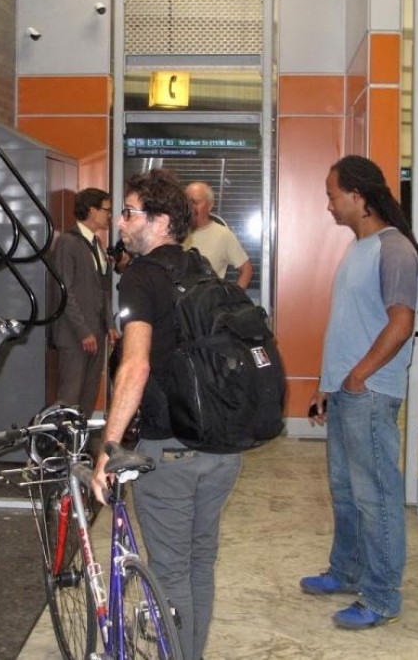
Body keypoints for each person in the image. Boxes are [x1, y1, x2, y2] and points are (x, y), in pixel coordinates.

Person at [93, 170, 241, 660]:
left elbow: (134, 366)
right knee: (201, 563)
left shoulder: (142, 276)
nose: (120, 221)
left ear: (157, 221)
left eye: (129, 212)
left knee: (172, 572)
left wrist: (108, 450)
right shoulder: (200, 268)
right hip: (220, 448)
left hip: (170, 450)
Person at [301, 155, 418, 630]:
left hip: (370, 394)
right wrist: (327, 386)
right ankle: (347, 572)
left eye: (333, 195)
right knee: (346, 492)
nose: (328, 205)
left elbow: (401, 323)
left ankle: (382, 595)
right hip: (348, 391)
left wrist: (358, 377)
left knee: (376, 498)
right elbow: (347, 325)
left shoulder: (396, 250)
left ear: (358, 197)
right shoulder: (359, 247)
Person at [49, 188, 116, 418]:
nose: (109, 214)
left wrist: (109, 325)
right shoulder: (68, 243)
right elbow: (64, 292)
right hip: (74, 335)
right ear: (91, 210)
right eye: (106, 209)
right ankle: (63, 448)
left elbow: (103, 289)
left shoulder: (96, 245)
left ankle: (81, 445)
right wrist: (83, 331)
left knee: (88, 394)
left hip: (96, 333)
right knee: (70, 395)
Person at [183, 181, 253, 289]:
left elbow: (246, 270)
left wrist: (233, 299)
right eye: (187, 202)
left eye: (195, 202)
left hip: (207, 304)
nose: (190, 207)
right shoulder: (174, 232)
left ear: (210, 205)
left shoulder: (223, 235)